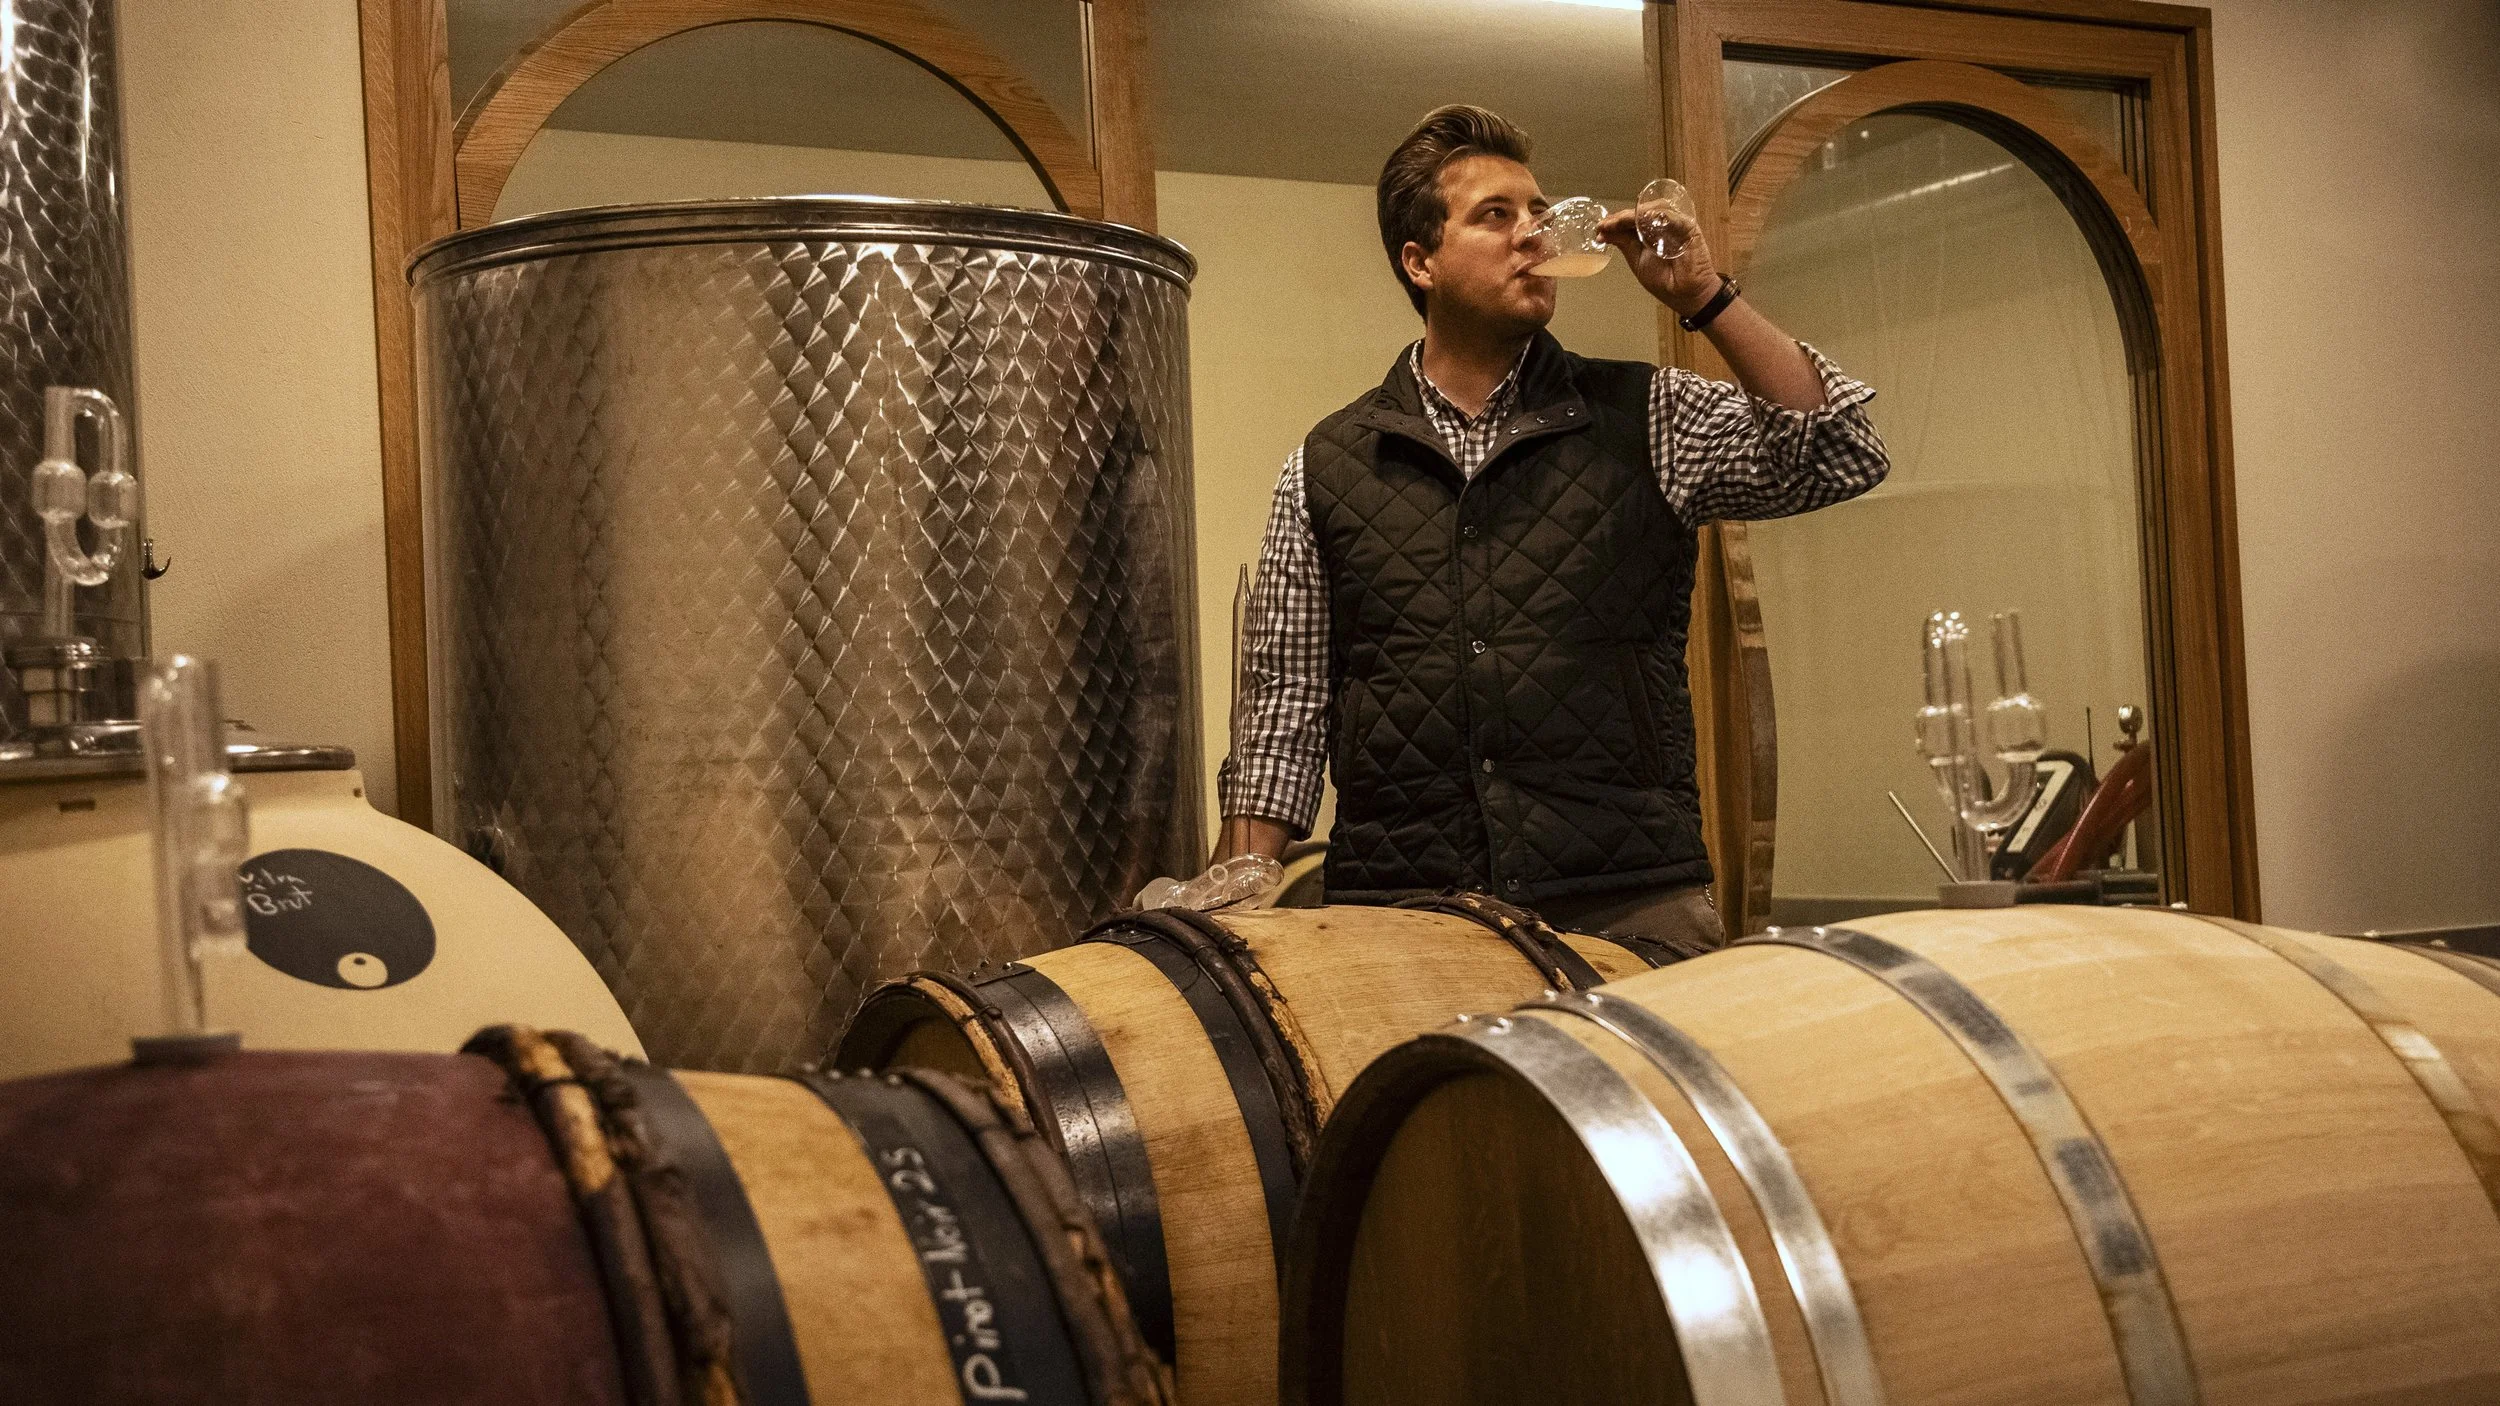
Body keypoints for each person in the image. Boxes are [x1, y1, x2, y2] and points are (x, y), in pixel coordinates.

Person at [1208, 104, 1888, 949]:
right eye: (1497, 216)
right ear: (1420, 261)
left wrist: (1705, 298)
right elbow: (1287, 699)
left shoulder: (1648, 416)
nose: (1534, 232)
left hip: (1627, 906)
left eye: (1537, 211)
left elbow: (1840, 452)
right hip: (1404, 919)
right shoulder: (1328, 463)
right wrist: (1234, 905)